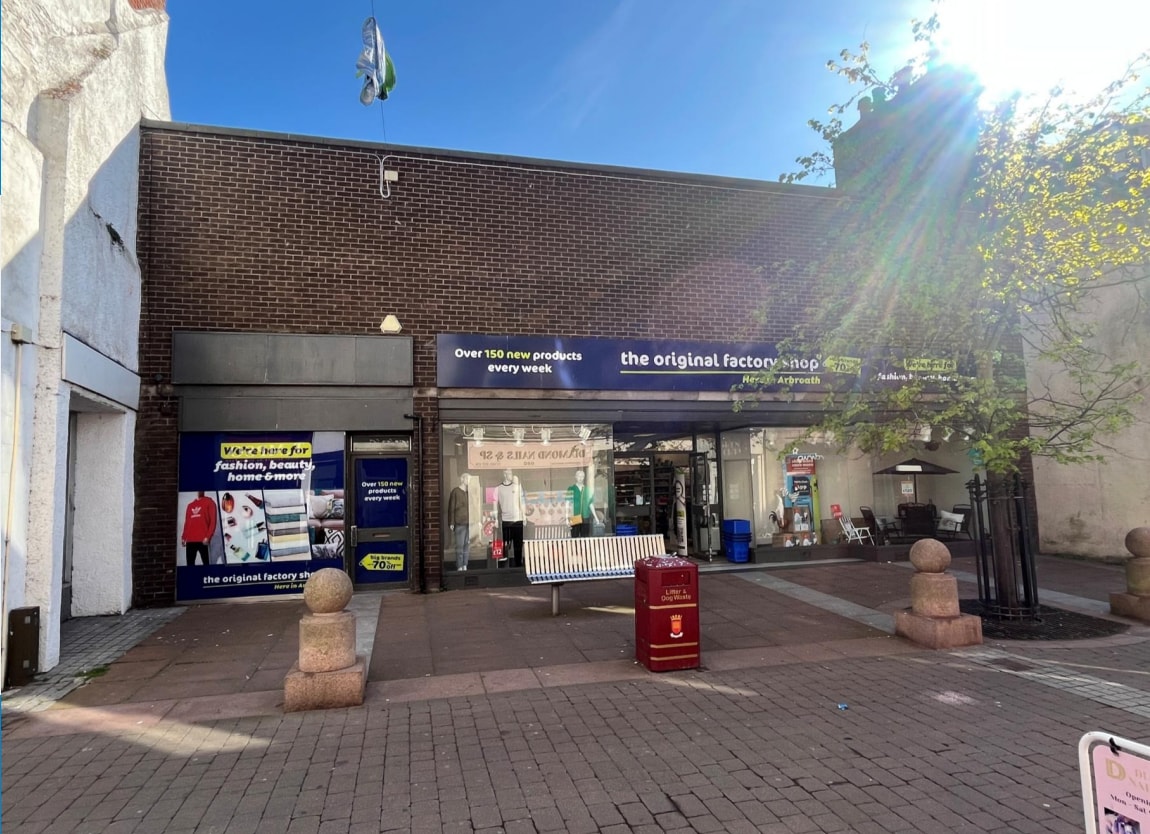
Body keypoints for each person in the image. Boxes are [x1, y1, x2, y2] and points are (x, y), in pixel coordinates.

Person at [495, 468, 526, 566]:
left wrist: (524, 516)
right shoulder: (498, 488)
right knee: (506, 545)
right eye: (509, 473)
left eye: (512, 473)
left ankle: (518, 565)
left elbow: (521, 502)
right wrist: (495, 519)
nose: (511, 475)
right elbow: (495, 504)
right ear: (504, 474)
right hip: (506, 520)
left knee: (518, 545)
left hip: (517, 520)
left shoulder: (517, 486)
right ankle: (505, 567)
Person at [181, 491, 218, 566]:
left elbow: (213, 522)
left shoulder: (210, 502)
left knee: (207, 565)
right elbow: (187, 522)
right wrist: (184, 537)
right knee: (190, 566)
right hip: (190, 540)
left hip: (203, 540)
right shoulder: (190, 505)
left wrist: (208, 537)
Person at [566, 469, 600, 538]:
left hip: (585, 516)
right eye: (579, 476)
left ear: (584, 477)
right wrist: (566, 517)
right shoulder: (571, 489)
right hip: (574, 516)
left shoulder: (587, 489)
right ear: (575, 477)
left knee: (585, 538)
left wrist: (596, 517)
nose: (580, 478)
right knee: (574, 537)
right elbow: (567, 503)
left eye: (582, 476)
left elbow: (590, 504)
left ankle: (584, 549)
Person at [447, 473, 470, 571]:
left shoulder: (469, 492)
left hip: (469, 523)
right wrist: (451, 522)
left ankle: (465, 564)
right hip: (459, 523)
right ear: (462, 479)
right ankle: (460, 566)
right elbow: (451, 508)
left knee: (466, 546)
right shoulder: (455, 491)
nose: (469, 481)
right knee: (460, 546)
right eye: (468, 479)